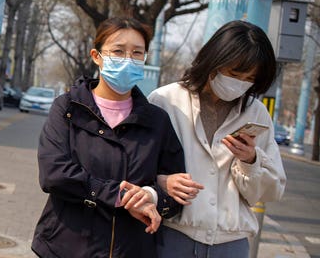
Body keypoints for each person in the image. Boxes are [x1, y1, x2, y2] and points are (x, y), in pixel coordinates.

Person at [31, 17, 186, 257]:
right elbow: (54, 174)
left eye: (137, 53)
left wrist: (151, 196)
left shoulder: (157, 121)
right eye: (118, 51)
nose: (127, 59)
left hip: (131, 249)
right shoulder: (68, 108)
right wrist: (119, 195)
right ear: (96, 56)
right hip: (66, 247)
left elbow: (175, 193)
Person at [148, 20, 286, 258]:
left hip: (231, 242)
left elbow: (270, 191)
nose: (239, 83)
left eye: (249, 78)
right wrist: (163, 181)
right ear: (213, 61)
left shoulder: (256, 113)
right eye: (233, 73)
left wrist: (251, 160)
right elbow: (136, 166)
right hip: (171, 235)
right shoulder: (165, 101)